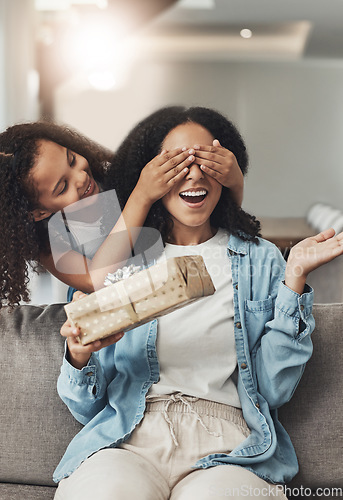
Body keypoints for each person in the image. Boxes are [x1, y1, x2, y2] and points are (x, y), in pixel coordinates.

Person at [54, 106, 343, 499]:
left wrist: (294, 279)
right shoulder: (120, 263)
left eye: (206, 159)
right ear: (152, 175)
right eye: (177, 162)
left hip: (229, 443)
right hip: (129, 438)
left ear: (225, 171)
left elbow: (274, 390)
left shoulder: (260, 260)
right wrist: (78, 357)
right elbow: (85, 408)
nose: (193, 172)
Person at [0, 119, 243, 308]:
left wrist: (235, 181)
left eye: (72, 159)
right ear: (39, 212)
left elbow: (219, 220)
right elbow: (99, 280)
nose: (81, 177)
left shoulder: (116, 177)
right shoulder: (47, 244)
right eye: (62, 187)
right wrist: (142, 196)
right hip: (118, 312)